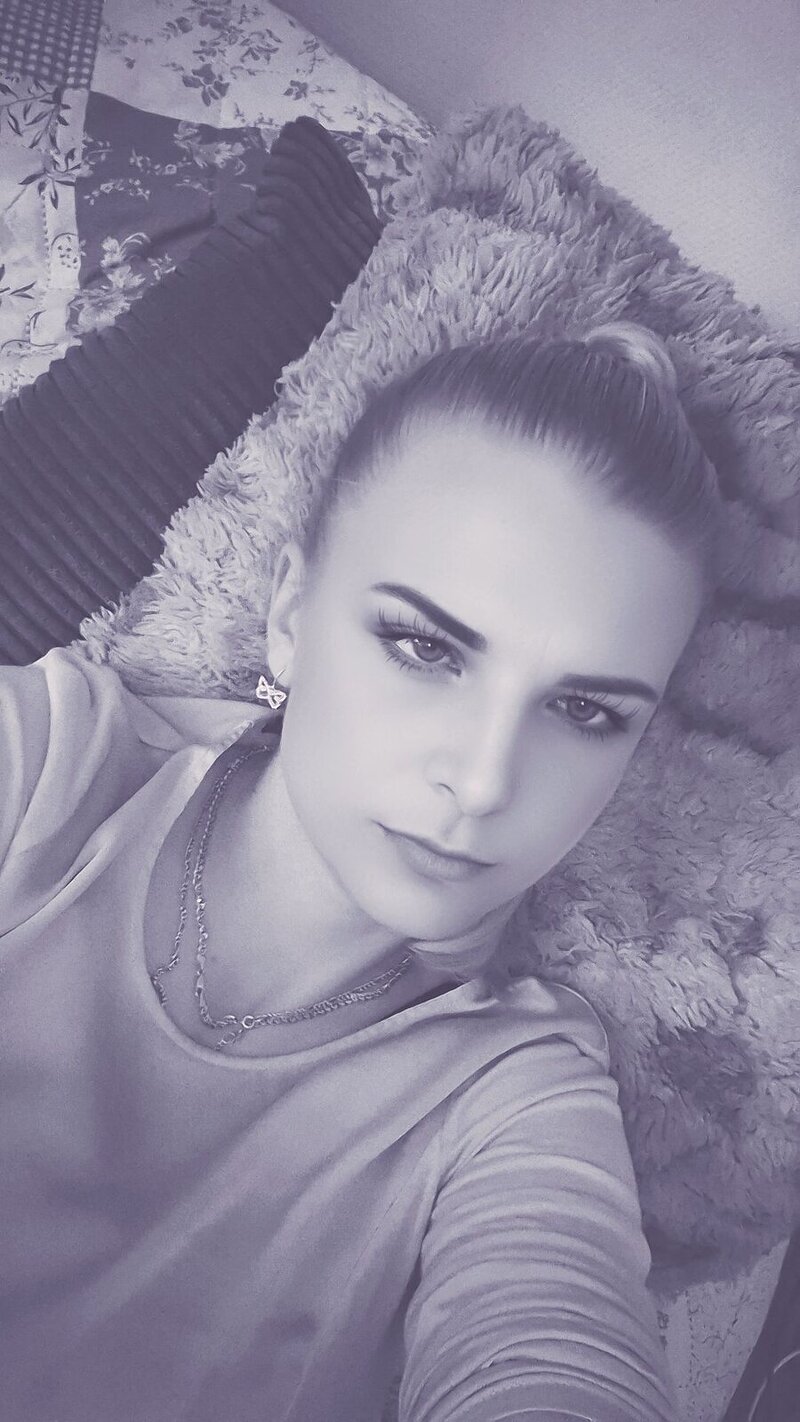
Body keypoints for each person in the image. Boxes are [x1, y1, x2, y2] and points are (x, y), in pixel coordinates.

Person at [0, 320, 720, 1422]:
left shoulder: (513, 1100)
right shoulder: (45, 764)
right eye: (424, 647)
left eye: (584, 711)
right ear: (290, 618)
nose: (482, 780)